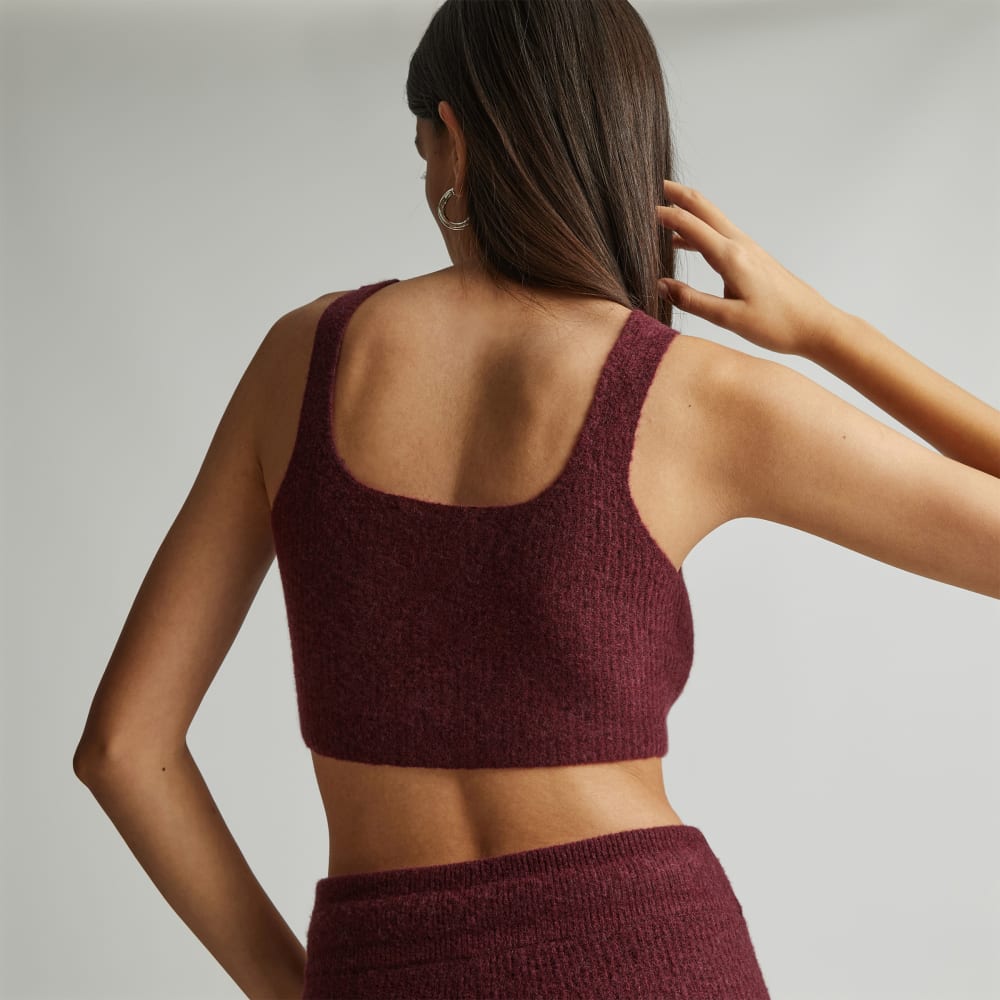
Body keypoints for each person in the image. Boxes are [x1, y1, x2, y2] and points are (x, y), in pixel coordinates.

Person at [72, 1, 1000, 998]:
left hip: (379, 966)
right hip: (650, 960)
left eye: (421, 150)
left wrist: (298, 988)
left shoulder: (299, 360)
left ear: (453, 137)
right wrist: (825, 331)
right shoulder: (689, 395)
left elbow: (124, 750)